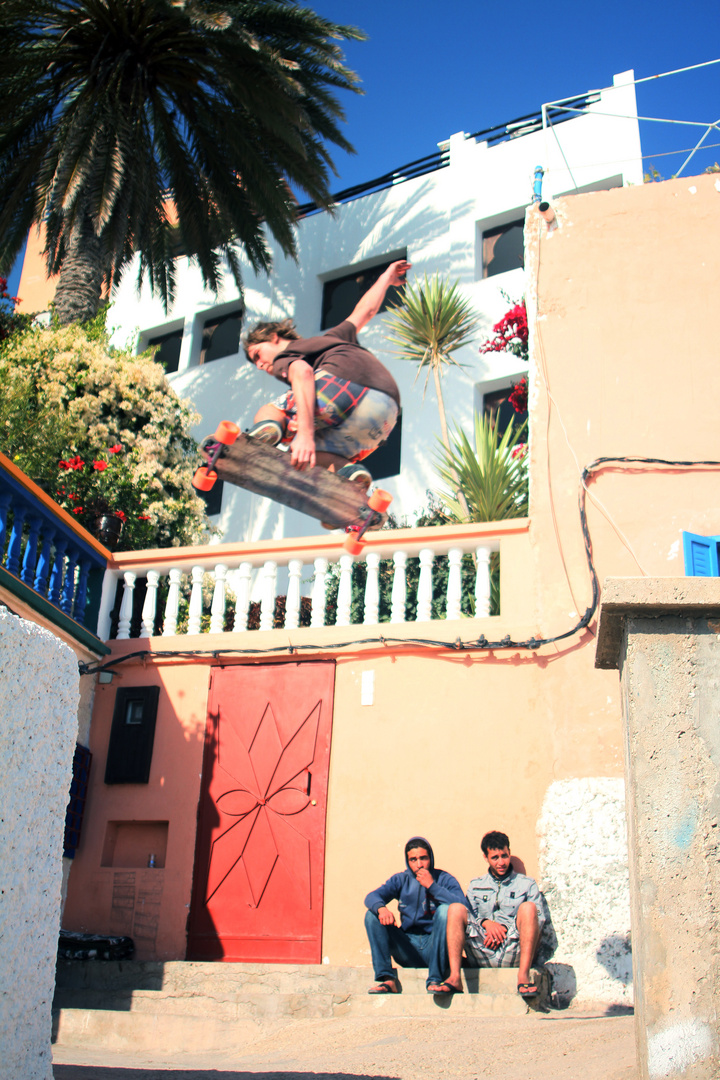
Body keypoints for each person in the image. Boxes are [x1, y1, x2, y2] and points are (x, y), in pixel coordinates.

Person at [242, 260, 410, 489]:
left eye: (257, 355)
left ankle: (270, 429)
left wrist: (305, 433)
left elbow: (302, 372)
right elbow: (366, 311)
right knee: (307, 457)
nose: (260, 364)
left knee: (272, 412)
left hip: (345, 389)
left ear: (273, 337)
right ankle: (349, 479)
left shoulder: (288, 355)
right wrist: (387, 277)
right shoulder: (333, 339)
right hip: (386, 413)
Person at [429, 830, 544, 998]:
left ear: (509, 853)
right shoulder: (476, 885)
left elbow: (538, 920)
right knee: (455, 909)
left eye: (504, 856)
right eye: (495, 858)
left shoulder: (527, 884)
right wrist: (486, 923)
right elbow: (471, 917)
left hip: (513, 948)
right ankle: (454, 977)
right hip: (482, 948)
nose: (501, 862)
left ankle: (523, 977)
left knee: (529, 908)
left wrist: (504, 927)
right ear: (486, 857)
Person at [363, 835, 468, 994]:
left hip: (435, 945)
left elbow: (462, 906)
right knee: (372, 916)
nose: (419, 864)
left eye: (423, 858)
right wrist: (381, 908)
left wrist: (432, 886)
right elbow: (371, 896)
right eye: (413, 859)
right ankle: (387, 979)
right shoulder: (401, 879)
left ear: (431, 858)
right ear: (407, 861)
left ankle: (435, 978)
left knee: (445, 911)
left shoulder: (444, 879)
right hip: (408, 946)